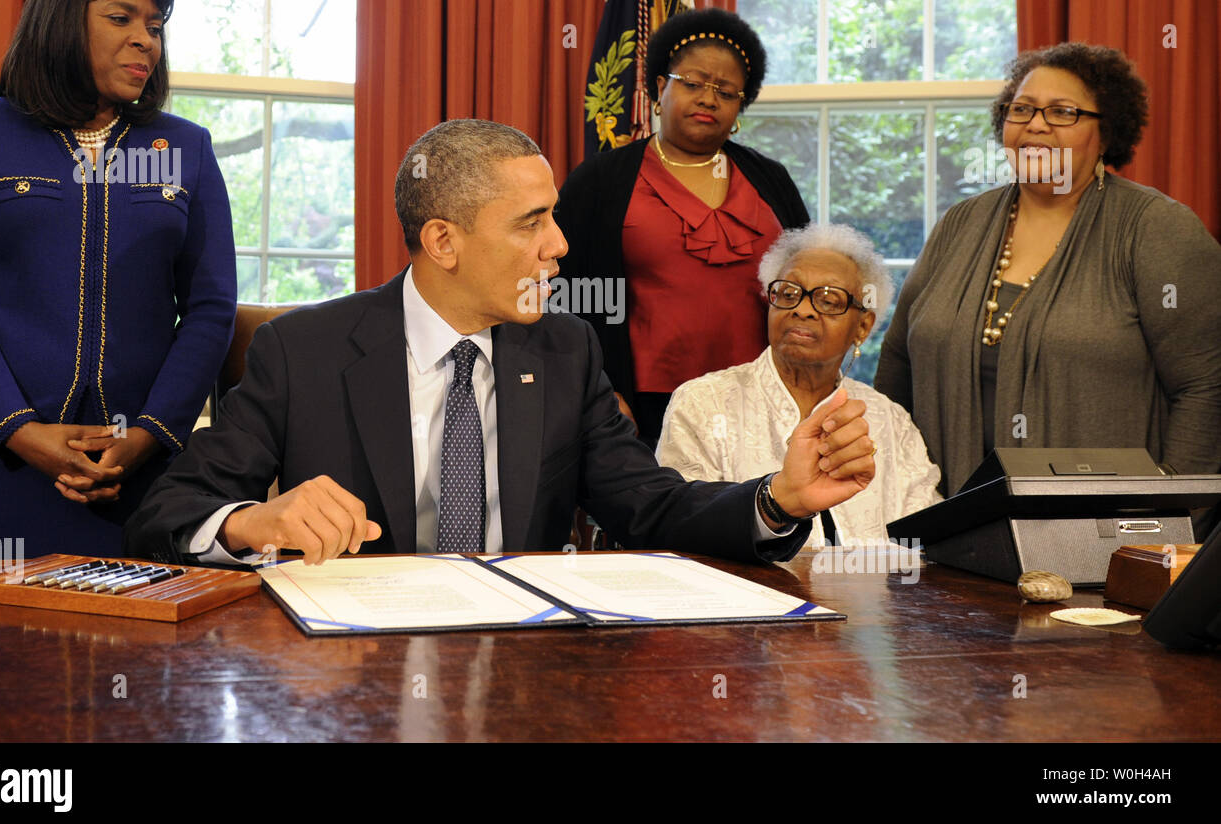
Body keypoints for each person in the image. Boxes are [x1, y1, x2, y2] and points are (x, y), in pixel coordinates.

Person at [123, 120, 876, 567]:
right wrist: (253, 521)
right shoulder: (301, 350)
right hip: (356, 676)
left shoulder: (565, 352)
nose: (560, 243)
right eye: (531, 222)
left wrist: (776, 501)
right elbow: (167, 512)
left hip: (521, 674)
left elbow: (648, 508)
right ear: (443, 242)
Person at [0, 0, 236, 556]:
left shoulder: (186, 148)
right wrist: (19, 431)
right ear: (62, 20)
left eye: (155, 25)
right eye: (121, 18)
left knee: (140, 649)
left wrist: (148, 435)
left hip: (140, 473)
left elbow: (210, 309)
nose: (146, 39)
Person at [874, 42, 1221, 497]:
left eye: (1062, 112)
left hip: (1108, 539)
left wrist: (1171, 525)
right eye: (1022, 110)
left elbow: (1206, 389)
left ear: (1107, 131)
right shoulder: (960, 223)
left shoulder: (1158, 229)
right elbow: (897, 367)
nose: (1036, 124)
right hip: (946, 524)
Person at [556, 8, 809, 447]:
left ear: (739, 107)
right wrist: (598, 391)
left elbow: (807, 279)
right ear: (660, 88)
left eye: (726, 92)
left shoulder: (771, 180)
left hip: (761, 396)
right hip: (640, 404)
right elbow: (562, 296)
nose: (708, 99)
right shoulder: (601, 182)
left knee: (758, 513)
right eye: (692, 84)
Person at [657, 223, 941, 547]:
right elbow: (683, 532)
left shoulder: (890, 421)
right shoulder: (703, 405)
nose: (802, 310)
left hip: (876, 598)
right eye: (788, 294)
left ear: (862, 327)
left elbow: (928, 546)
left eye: (829, 300)